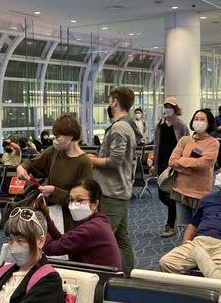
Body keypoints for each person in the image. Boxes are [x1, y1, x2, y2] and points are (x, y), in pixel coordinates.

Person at [158, 161, 221, 274]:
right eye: (219, 171)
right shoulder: (208, 199)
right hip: (199, 242)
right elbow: (193, 225)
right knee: (166, 262)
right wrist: (186, 245)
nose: (218, 175)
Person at [87, 87, 139, 275]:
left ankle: (108, 276)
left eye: (110, 100)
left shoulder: (119, 127)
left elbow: (115, 161)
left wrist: (91, 160)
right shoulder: (127, 126)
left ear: (115, 101)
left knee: (103, 238)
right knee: (121, 238)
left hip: (112, 191)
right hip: (119, 189)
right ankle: (126, 275)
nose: (108, 103)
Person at [17, 115, 93, 232]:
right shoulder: (54, 152)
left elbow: (83, 201)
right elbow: (32, 163)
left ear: (69, 137)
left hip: (71, 220)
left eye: (57, 137)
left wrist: (54, 191)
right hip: (51, 213)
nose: (55, 140)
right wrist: (22, 168)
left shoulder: (84, 162)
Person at [38, 178, 120, 268]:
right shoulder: (98, 221)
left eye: (79, 200)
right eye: (71, 200)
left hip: (98, 277)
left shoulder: (90, 229)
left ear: (95, 204)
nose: (73, 205)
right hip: (97, 273)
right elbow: (64, 240)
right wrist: (46, 218)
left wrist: (40, 225)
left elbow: (50, 248)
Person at [168, 109, 220, 233]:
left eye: (202, 119)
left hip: (200, 193)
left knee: (199, 229)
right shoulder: (184, 140)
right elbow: (172, 161)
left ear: (209, 123)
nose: (198, 122)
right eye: (196, 119)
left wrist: (183, 161)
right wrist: (191, 168)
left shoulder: (213, 143)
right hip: (180, 190)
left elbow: (204, 163)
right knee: (184, 230)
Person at [151, 96, 190, 238]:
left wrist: (184, 163)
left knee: (171, 194)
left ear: (175, 108)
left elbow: (187, 144)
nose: (167, 108)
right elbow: (156, 145)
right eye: (166, 105)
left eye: (170, 106)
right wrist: (153, 163)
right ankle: (179, 211)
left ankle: (170, 224)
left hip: (175, 163)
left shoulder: (181, 125)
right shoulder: (160, 124)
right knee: (162, 194)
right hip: (162, 162)